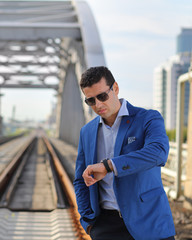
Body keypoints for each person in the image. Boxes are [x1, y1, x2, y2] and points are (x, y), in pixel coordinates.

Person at [73, 66, 175, 240]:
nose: (98, 105)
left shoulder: (148, 118)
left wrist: (109, 165)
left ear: (116, 88)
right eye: (90, 101)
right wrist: (89, 223)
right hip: (107, 226)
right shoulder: (87, 132)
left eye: (102, 96)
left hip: (150, 221)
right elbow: (80, 180)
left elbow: (158, 152)